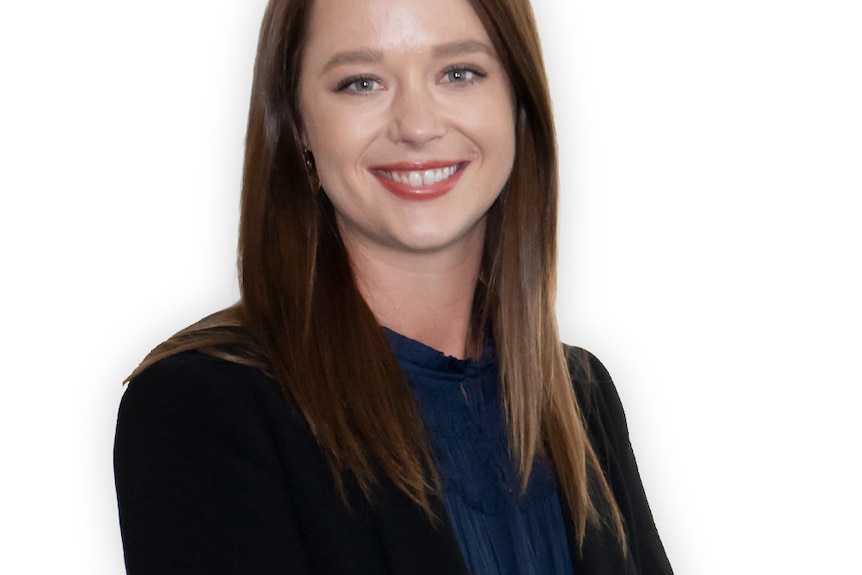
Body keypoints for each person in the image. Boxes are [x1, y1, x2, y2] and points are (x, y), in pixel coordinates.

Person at [113, 0, 673, 573]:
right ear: (298, 120)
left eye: (459, 73)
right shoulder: (200, 407)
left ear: (517, 101)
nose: (417, 125)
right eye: (362, 82)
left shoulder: (581, 399)